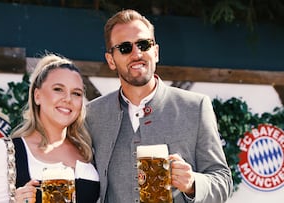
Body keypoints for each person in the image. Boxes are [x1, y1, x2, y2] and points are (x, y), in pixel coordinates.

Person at [85, 9, 233, 203]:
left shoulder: (195, 107)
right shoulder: (92, 115)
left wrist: (192, 183)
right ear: (111, 60)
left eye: (143, 44)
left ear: (155, 52)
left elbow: (223, 180)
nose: (137, 53)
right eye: (124, 48)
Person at [0, 53, 100, 203]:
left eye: (76, 93)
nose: (68, 99)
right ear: (37, 96)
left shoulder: (89, 152)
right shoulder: (5, 152)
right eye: (58, 89)